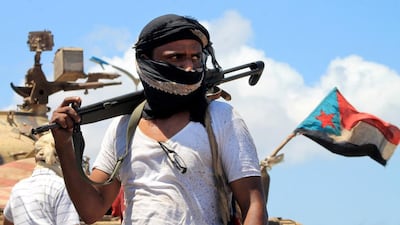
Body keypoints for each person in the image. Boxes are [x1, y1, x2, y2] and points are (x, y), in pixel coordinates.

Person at [50, 14, 268, 225]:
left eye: (196, 57)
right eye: (176, 57)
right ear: (145, 60)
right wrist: (64, 145)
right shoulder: (124, 127)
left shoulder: (221, 118)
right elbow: (91, 210)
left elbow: (253, 204)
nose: (190, 67)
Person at [3, 133, 80, 225]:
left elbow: (7, 221)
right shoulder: (62, 188)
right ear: (65, 158)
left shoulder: (18, 189)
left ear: (36, 158)